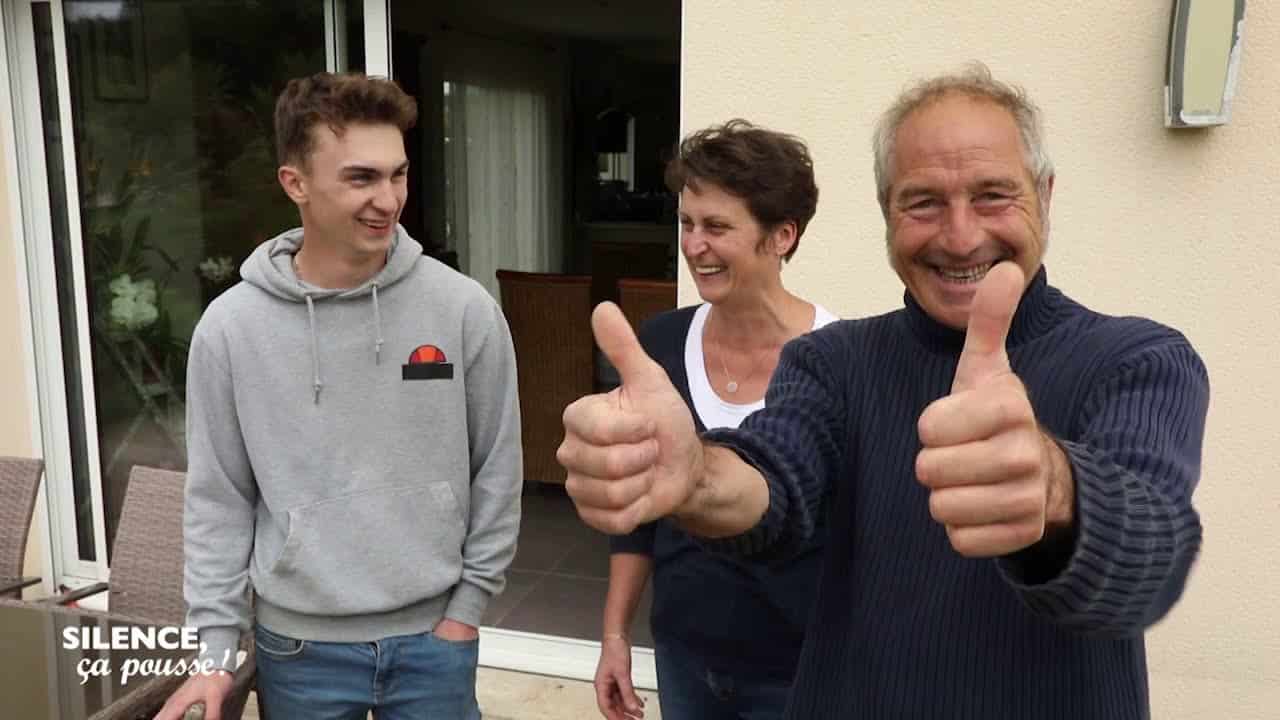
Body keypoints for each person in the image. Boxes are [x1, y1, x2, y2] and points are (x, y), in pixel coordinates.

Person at [558, 62, 1209, 719]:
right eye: (923, 201)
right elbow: (778, 485)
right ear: (887, 214)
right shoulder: (834, 361)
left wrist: (1054, 484)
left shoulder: (1137, 360)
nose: (960, 236)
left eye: (992, 195)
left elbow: (1149, 553)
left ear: (1043, 195)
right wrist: (693, 476)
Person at [157, 72, 522, 720]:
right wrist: (214, 653)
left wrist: (467, 610)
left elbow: (497, 468)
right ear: (295, 183)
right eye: (361, 178)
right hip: (299, 651)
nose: (389, 199)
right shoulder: (232, 330)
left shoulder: (463, 310)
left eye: (398, 175)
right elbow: (219, 500)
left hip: (434, 645)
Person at [595, 120, 838, 720]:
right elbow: (636, 518)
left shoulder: (841, 361)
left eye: (717, 227)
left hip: (797, 674)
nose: (694, 244)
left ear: (782, 235)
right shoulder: (662, 341)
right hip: (684, 656)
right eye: (686, 223)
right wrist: (616, 636)